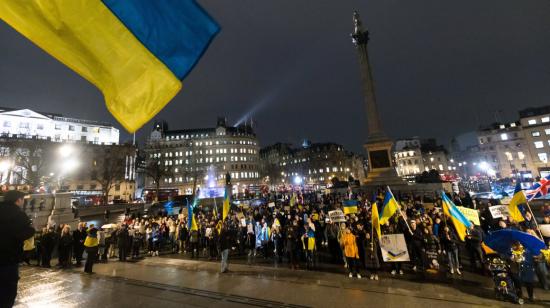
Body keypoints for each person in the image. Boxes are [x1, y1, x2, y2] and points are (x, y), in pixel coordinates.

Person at [0, 190, 35, 308]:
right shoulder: (19, 215)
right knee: (8, 290)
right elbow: (25, 233)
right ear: (18, 200)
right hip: (9, 258)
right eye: (23, 199)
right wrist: (31, 229)